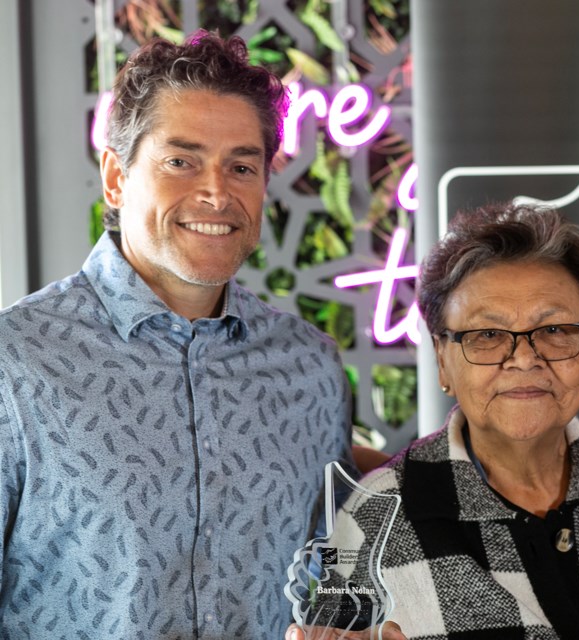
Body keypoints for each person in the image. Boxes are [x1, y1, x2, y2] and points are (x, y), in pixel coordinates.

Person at [0, 32, 359, 638]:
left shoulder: (311, 369)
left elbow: (336, 584)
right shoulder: (15, 363)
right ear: (116, 177)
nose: (217, 192)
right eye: (181, 161)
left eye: (241, 166)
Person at [291, 203, 579, 640]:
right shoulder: (374, 518)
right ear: (441, 360)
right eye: (487, 335)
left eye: (554, 330)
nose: (525, 359)